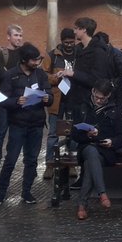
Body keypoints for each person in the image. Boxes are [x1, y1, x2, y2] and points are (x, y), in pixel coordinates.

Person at [0, 43, 51, 205]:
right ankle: (1, 192)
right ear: (24, 60)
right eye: (34, 60)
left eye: (38, 60)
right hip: (18, 124)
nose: (37, 63)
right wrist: (16, 101)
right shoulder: (11, 75)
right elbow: (3, 100)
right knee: (11, 159)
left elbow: (49, 93)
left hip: (37, 123)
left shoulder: (40, 74)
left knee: (31, 160)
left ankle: (27, 192)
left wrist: (48, 98)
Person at [69, 79, 122, 220]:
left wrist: (111, 142)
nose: (99, 101)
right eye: (97, 97)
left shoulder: (114, 110)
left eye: (102, 99)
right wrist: (87, 135)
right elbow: (74, 135)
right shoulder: (82, 107)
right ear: (93, 91)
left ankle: (82, 205)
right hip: (86, 147)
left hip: (105, 151)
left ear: (108, 96)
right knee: (91, 151)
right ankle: (102, 193)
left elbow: (121, 137)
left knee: (90, 162)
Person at [0, 24, 25, 181]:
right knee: (0, 133)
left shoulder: (24, 54)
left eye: (20, 35)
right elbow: (3, 76)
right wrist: (16, 74)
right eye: (16, 35)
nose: (19, 38)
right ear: (8, 37)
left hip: (20, 100)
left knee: (17, 134)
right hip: (4, 99)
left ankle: (10, 164)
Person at [44, 28, 79, 179]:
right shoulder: (52, 55)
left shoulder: (79, 54)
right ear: (61, 41)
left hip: (74, 99)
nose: (69, 45)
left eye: (72, 42)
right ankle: (50, 164)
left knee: (73, 133)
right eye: (66, 42)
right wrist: (56, 78)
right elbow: (43, 75)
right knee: (53, 133)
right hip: (57, 100)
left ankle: (71, 164)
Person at [63, 17, 117, 112]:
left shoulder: (98, 51)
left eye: (76, 28)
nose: (74, 32)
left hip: (89, 102)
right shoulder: (78, 49)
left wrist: (74, 74)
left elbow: (97, 79)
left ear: (84, 29)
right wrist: (67, 74)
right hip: (76, 100)